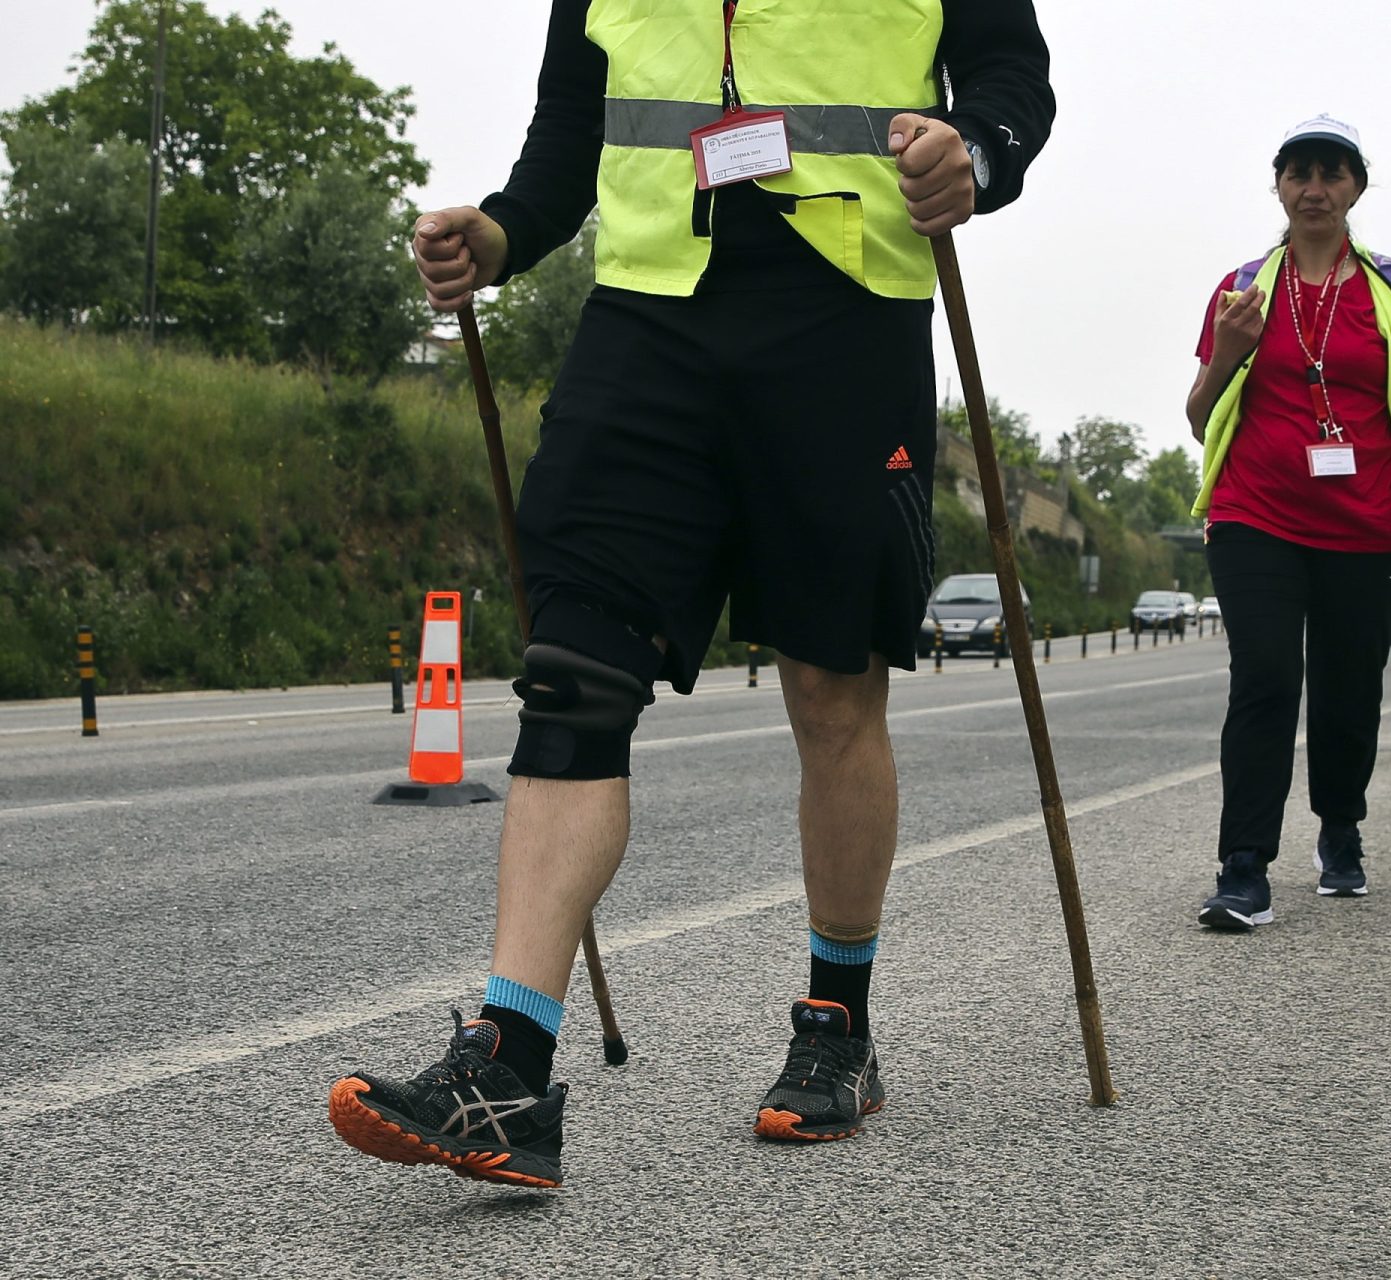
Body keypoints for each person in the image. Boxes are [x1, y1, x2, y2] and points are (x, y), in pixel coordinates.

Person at [326, 0, 1054, 1186]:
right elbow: (568, 144)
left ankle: (837, 1023)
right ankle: (507, 1067)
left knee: (831, 687)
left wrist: (977, 150)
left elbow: (1012, 76)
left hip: (845, 308)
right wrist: (499, 234)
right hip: (650, 320)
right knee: (572, 672)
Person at [1186, 113, 1391, 925]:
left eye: (1331, 173)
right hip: (1255, 513)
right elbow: (1200, 417)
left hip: (1366, 520)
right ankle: (1244, 867)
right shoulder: (1239, 290)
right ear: (1278, 186)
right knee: (1265, 678)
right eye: (1299, 172)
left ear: (1356, 189)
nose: (1314, 187)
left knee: (1348, 686)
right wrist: (1229, 352)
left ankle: (1341, 829)